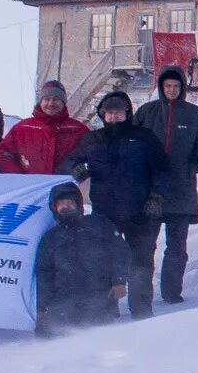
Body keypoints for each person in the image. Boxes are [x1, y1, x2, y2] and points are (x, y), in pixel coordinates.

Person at [64, 91, 167, 319]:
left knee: (140, 262)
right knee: (104, 260)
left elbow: (162, 170)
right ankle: (107, 310)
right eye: (109, 113)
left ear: (127, 113)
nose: (113, 117)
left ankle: (141, 310)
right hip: (105, 211)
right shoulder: (93, 139)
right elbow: (72, 159)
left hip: (140, 211)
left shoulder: (144, 137)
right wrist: (78, 170)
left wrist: (156, 197)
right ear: (102, 115)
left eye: (118, 112)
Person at [134, 66, 198, 304]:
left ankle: (171, 292)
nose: (171, 90)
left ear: (182, 89)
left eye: (176, 87)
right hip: (150, 193)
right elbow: (132, 142)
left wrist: (190, 169)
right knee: (145, 247)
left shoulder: (194, 114)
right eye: (167, 86)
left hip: (181, 191)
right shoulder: (147, 112)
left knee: (177, 247)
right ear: (161, 87)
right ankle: (141, 295)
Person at [35, 182, 129, 334]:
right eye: (61, 203)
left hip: (99, 298)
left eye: (69, 202)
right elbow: (44, 275)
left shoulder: (100, 224)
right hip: (63, 303)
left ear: (78, 204)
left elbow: (120, 252)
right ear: (54, 208)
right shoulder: (50, 238)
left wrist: (119, 281)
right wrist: (42, 310)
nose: (65, 206)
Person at [0, 81, 87, 175]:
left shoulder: (78, 130)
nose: (51, 104)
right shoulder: (22, 128)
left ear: (63, 103)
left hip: (67, 186)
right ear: (40, 102)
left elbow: (92, 156)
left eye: (56, 99)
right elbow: (4, 154)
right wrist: (18, 176)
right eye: (47, 99)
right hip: (33, 186)